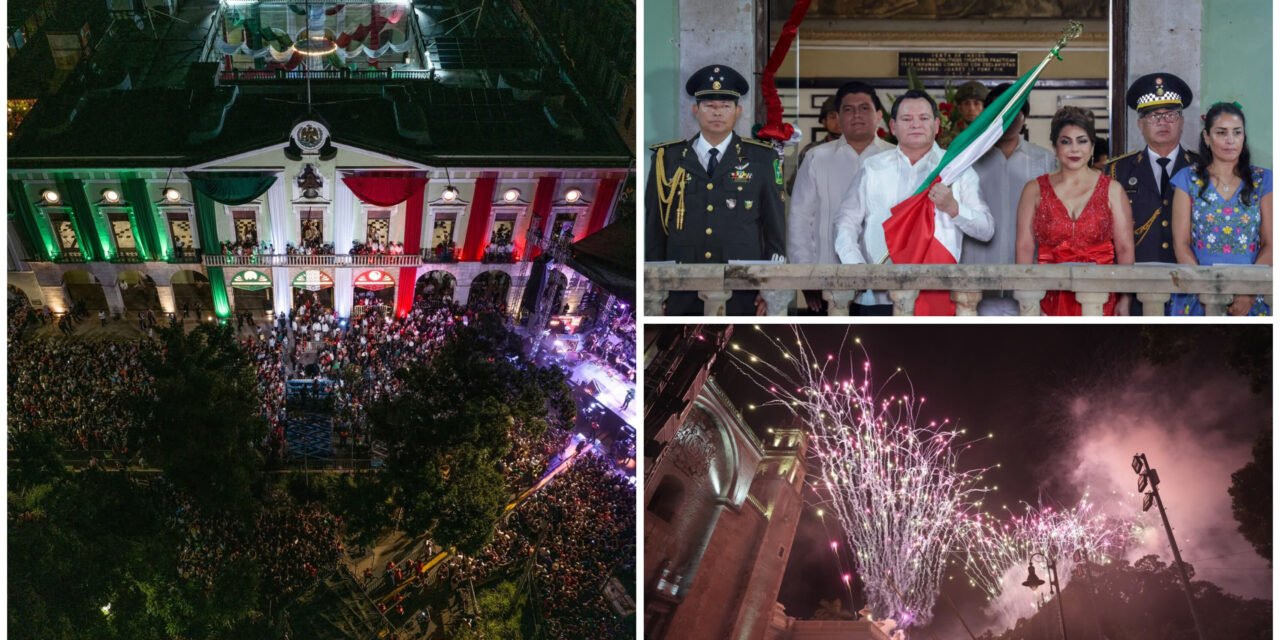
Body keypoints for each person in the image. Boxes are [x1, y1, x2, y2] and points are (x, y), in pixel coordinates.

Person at [834, 90, 993, 315]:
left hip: (935, 295)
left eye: (924, 118)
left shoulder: (956, 169)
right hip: (879, 295)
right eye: (907, 119)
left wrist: (953, 208)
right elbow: (846, 221)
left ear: (936, 125)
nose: (916, 124)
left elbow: (986, 229)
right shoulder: (873, 167)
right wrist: (856, 266)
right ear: (893, 126)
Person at [644, 64, 786, 316]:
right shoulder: (668, 158)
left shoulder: (762, 159)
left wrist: (771, 286)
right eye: (709, 106)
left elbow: (775, 227)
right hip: (681, 286)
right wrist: (654, 286)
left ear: (738, 111)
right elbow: (654, 227)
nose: (717, 113)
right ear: (695, 110)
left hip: (742, 286)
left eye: (725, 106)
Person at [1016, 106, 1135, 315]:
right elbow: (1024, 248)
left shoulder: (1112, 190)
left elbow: (1124, 248)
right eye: (1066, 142)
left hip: (1101, 297)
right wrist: (1028, 299)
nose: (1074, 149)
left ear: (1092, 146)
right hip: (1048, 298)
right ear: (1055, 146)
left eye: (1082, 141)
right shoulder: (1034, 190)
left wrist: (1126, 298)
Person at [789, 81, 894, 313]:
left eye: (864, 108)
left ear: (879, 115)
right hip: (827, 283)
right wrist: (805, 277)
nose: (856, 115)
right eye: (848, 109)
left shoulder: (895, 157)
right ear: (838, 116)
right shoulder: (817, 157)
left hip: (886, 288)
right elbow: (800, 220)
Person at [1170, 101, 1271, 316]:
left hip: (1252, 295)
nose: (1230, 140)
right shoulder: (1187, 179)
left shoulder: (1263, 180)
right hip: (1199, 295)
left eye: (1237, 132)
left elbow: (1271, 244)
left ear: (1244, 137)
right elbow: (1181, 244)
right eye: (1221, 132)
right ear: (1207, 137)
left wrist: (1248, 292)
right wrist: (1206, 292)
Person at [1108, 72, 1198, 313]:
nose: (1163, 122)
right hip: (1137, 289)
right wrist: (1122, 294)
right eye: (1154, 116)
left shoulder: (1202, 169)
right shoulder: (1117, 171)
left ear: (1181, 121)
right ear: (1140, 124)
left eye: (1171, 115)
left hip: (1191, 289)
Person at [964, 82, 1057, 314]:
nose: (1008, 118)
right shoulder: (968, 160)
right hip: (977, 277)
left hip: (1029, 278)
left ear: (1024, 117)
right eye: (1001, 112)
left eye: (1015, 111)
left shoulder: (1044, 160)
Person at [786, 96, 841, 194]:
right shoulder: (811, 151)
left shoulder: (858, 149)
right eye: (832, 117)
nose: (838, 121)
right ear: (824, 122)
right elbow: (793, 188)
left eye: (842, 117)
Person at [937, 80, 988, 148]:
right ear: (960, 108)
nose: (971, 108)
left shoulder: (991, 134)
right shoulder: (947, 137)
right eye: (966, 103)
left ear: (984, 108)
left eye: (976, 103)